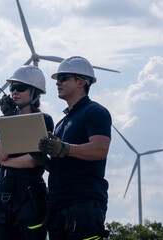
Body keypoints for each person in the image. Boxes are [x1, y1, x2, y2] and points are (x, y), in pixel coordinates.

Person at [36, 56, 112, 240]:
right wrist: (44, 160)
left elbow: (100, 149)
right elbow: (63, 163)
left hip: (83, 204)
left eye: (63, 78)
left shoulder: (95, 112)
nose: (57, 83)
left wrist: (64, 148)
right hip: (58, 206)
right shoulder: (62, 123)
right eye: (57, 79)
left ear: (81, 82)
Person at [0, 65, 54, 240]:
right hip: (2, 196)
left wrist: (1, 162)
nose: (14, 91)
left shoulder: (44, 120)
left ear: (35, 92)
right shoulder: (3, 120)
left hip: (30, 198)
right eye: (12, 87)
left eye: (20, 87)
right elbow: (2, 153)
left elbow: (32, 161)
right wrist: (8, 118)